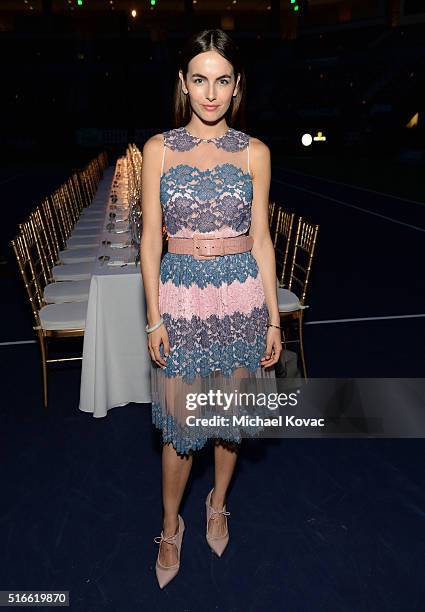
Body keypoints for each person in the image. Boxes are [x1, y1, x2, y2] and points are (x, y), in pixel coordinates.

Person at [140, 28, 282, 589]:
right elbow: (151, 240)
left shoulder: (255, 152)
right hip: (180, 299)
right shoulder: (158, 149)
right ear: (183, 82)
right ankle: (170, 524)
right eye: (199, 79)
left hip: (241, 296)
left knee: (228, 421)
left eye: (222, 80)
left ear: (237, 86)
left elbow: (264, 240)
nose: (210, 93)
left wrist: (272, 317)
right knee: (180, 430)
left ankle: (218, 503)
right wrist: (153, 315)